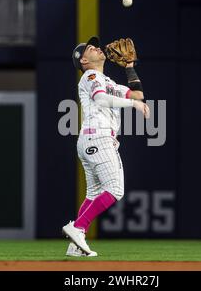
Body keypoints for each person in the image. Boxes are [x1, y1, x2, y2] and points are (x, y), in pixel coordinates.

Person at [62, 36, 150, 256]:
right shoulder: (91, 76)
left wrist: (130, 67)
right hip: (99, 138)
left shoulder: (106, 81)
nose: (97, 48)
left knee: (93, 194)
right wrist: (133, 105)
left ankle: (75, 246)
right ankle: (78, 227)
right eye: (91, 48)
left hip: (89, 140)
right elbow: (102, 100)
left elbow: (138, 94)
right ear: (83, 61)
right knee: (115, 189)